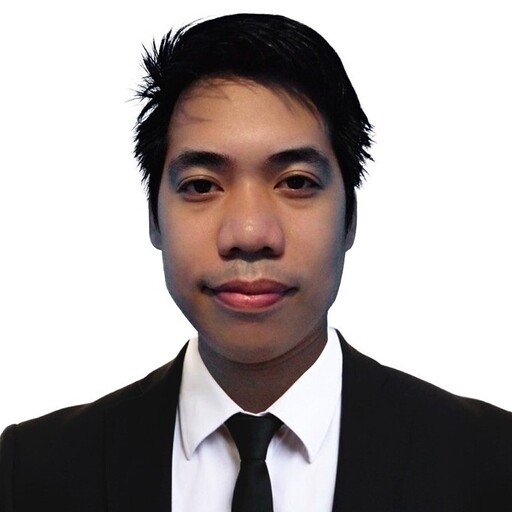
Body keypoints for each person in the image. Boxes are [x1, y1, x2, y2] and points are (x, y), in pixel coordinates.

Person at [1, 13, 511, 512]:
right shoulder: (33, 471)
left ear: (350, 217)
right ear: (154, 219)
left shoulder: (491, 461)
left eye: (296, 182)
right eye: (202, 185)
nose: (249, 235)